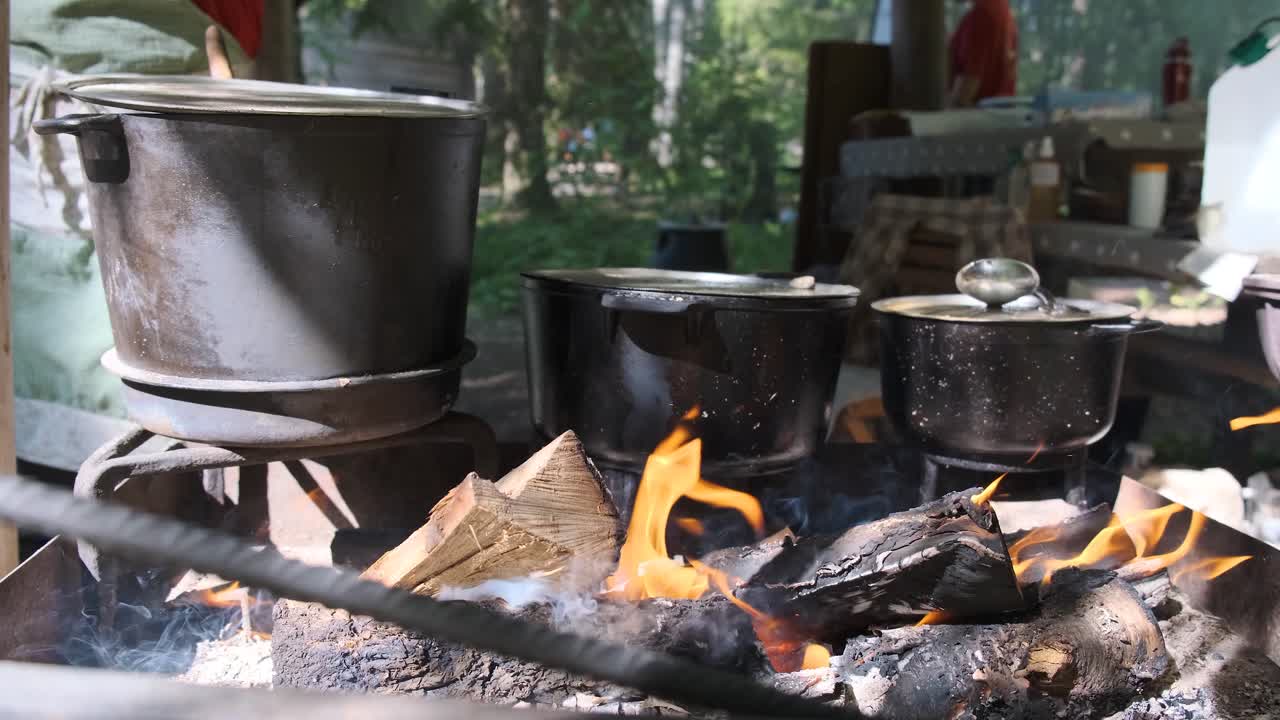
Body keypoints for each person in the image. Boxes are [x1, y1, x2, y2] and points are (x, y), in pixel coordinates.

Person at [948, 0, 1018, 107]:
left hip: (971, 119)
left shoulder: (982, 15)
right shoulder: (1001, 8)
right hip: (996, 117)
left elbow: (964, 94)